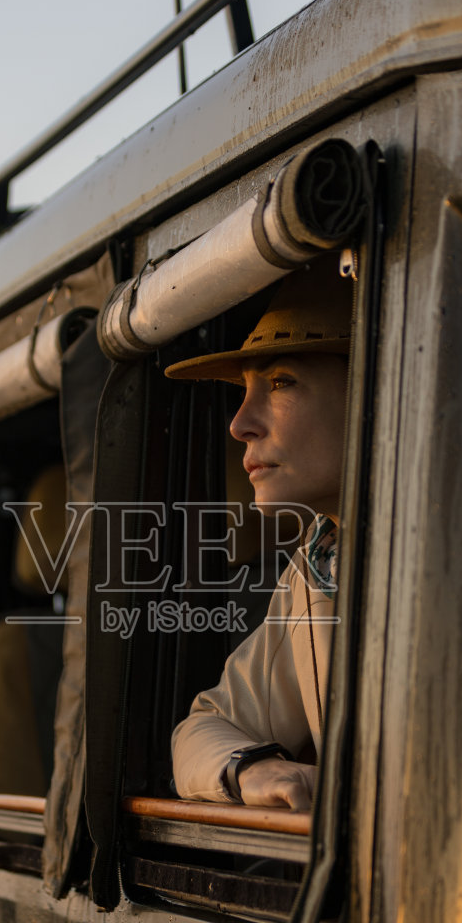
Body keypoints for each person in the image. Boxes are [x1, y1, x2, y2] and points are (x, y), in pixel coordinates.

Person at [164, 257, 353, 812]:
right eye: (246, 391)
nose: (239, 423)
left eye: (281, 382)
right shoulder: (318, 563)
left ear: (379, 387)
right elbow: (207, 725)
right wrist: (252, 768)